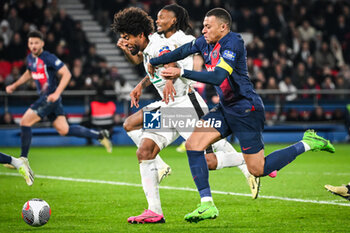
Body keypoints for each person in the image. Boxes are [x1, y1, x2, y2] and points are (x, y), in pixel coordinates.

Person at [149, 8, 335, 222]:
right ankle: (207, 204)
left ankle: (307, 143)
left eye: (208, 26)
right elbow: (181, 52)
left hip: (246, 109)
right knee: (193, 145)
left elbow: (219, 77)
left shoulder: (233, 43)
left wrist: (181, 72)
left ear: (223, 27)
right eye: (203, 26)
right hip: (226, 109)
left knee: (258, 169)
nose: (204, 29)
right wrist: (154, 62)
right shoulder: (203, 43)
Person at [111, 5, 261, 224]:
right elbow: (147, 61)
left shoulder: (161, 44)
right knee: (144, 149)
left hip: (185, 105)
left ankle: (253, 162)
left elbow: (170, 60)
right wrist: (140, 81)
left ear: (140, 35)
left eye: (127, 37)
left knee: (208, 159)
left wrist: (171, 80)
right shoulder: (150, 45)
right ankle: (154, 210)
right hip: (167, 107)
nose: (125, 41)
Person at [4, 30, 112, 186]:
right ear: (28, 44)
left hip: (49, 98)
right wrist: (14, 85)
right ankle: (99, 135)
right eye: (31, 43)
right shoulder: (30, 59)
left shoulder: (48, 58)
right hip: (49, 99)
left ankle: (23, 159)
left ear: (42, 43)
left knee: (25, 122)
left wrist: (57, 93)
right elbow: (29, 73)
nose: (34, 46)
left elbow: (66, 74)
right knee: (64, 130)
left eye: (36, 42)